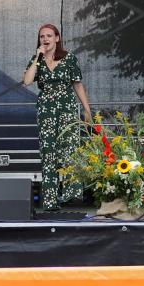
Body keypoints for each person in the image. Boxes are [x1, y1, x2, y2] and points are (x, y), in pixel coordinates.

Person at [22, 23, 92, 210]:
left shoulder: (69, 58)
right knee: (48, 152)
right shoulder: (36, 59)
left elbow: (77, 85)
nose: (45, 39)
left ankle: (71, 194)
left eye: (49, 36)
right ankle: (50, 200)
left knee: (70, 149)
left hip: (67, 107)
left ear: (57, 38)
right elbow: (27, 81)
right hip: (46, 110)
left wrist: (87, 110)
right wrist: (37, 57)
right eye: (42, 36)